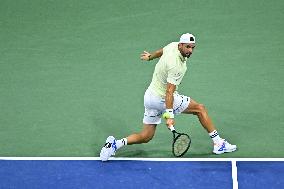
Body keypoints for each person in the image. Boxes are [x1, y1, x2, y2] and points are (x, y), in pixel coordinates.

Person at [100, 33, 237, 161]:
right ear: (180, 45)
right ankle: (219, 143)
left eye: (192, 48)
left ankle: (114, 144)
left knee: (146, 136)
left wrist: (150, 57)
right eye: (188, 47)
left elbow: (162, 51)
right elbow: (169, 93)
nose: (190, 50)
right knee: (200, 109)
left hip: (149, 97)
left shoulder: (172, 45)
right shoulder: (177, 66)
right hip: (162, 99)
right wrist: (169, 116)